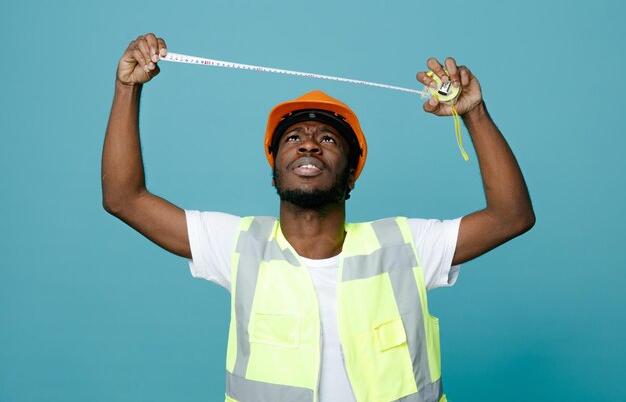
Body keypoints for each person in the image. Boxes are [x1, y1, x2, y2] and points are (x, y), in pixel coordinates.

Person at [102, 33, 535, 402]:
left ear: (351, 175)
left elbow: (511, 216)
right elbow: (124, 198)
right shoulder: (237, 245)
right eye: (293, 137)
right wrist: (128, 89)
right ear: (275, 169)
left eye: (327, 138)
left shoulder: (406, 246)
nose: (308, 144)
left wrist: (473, 113)